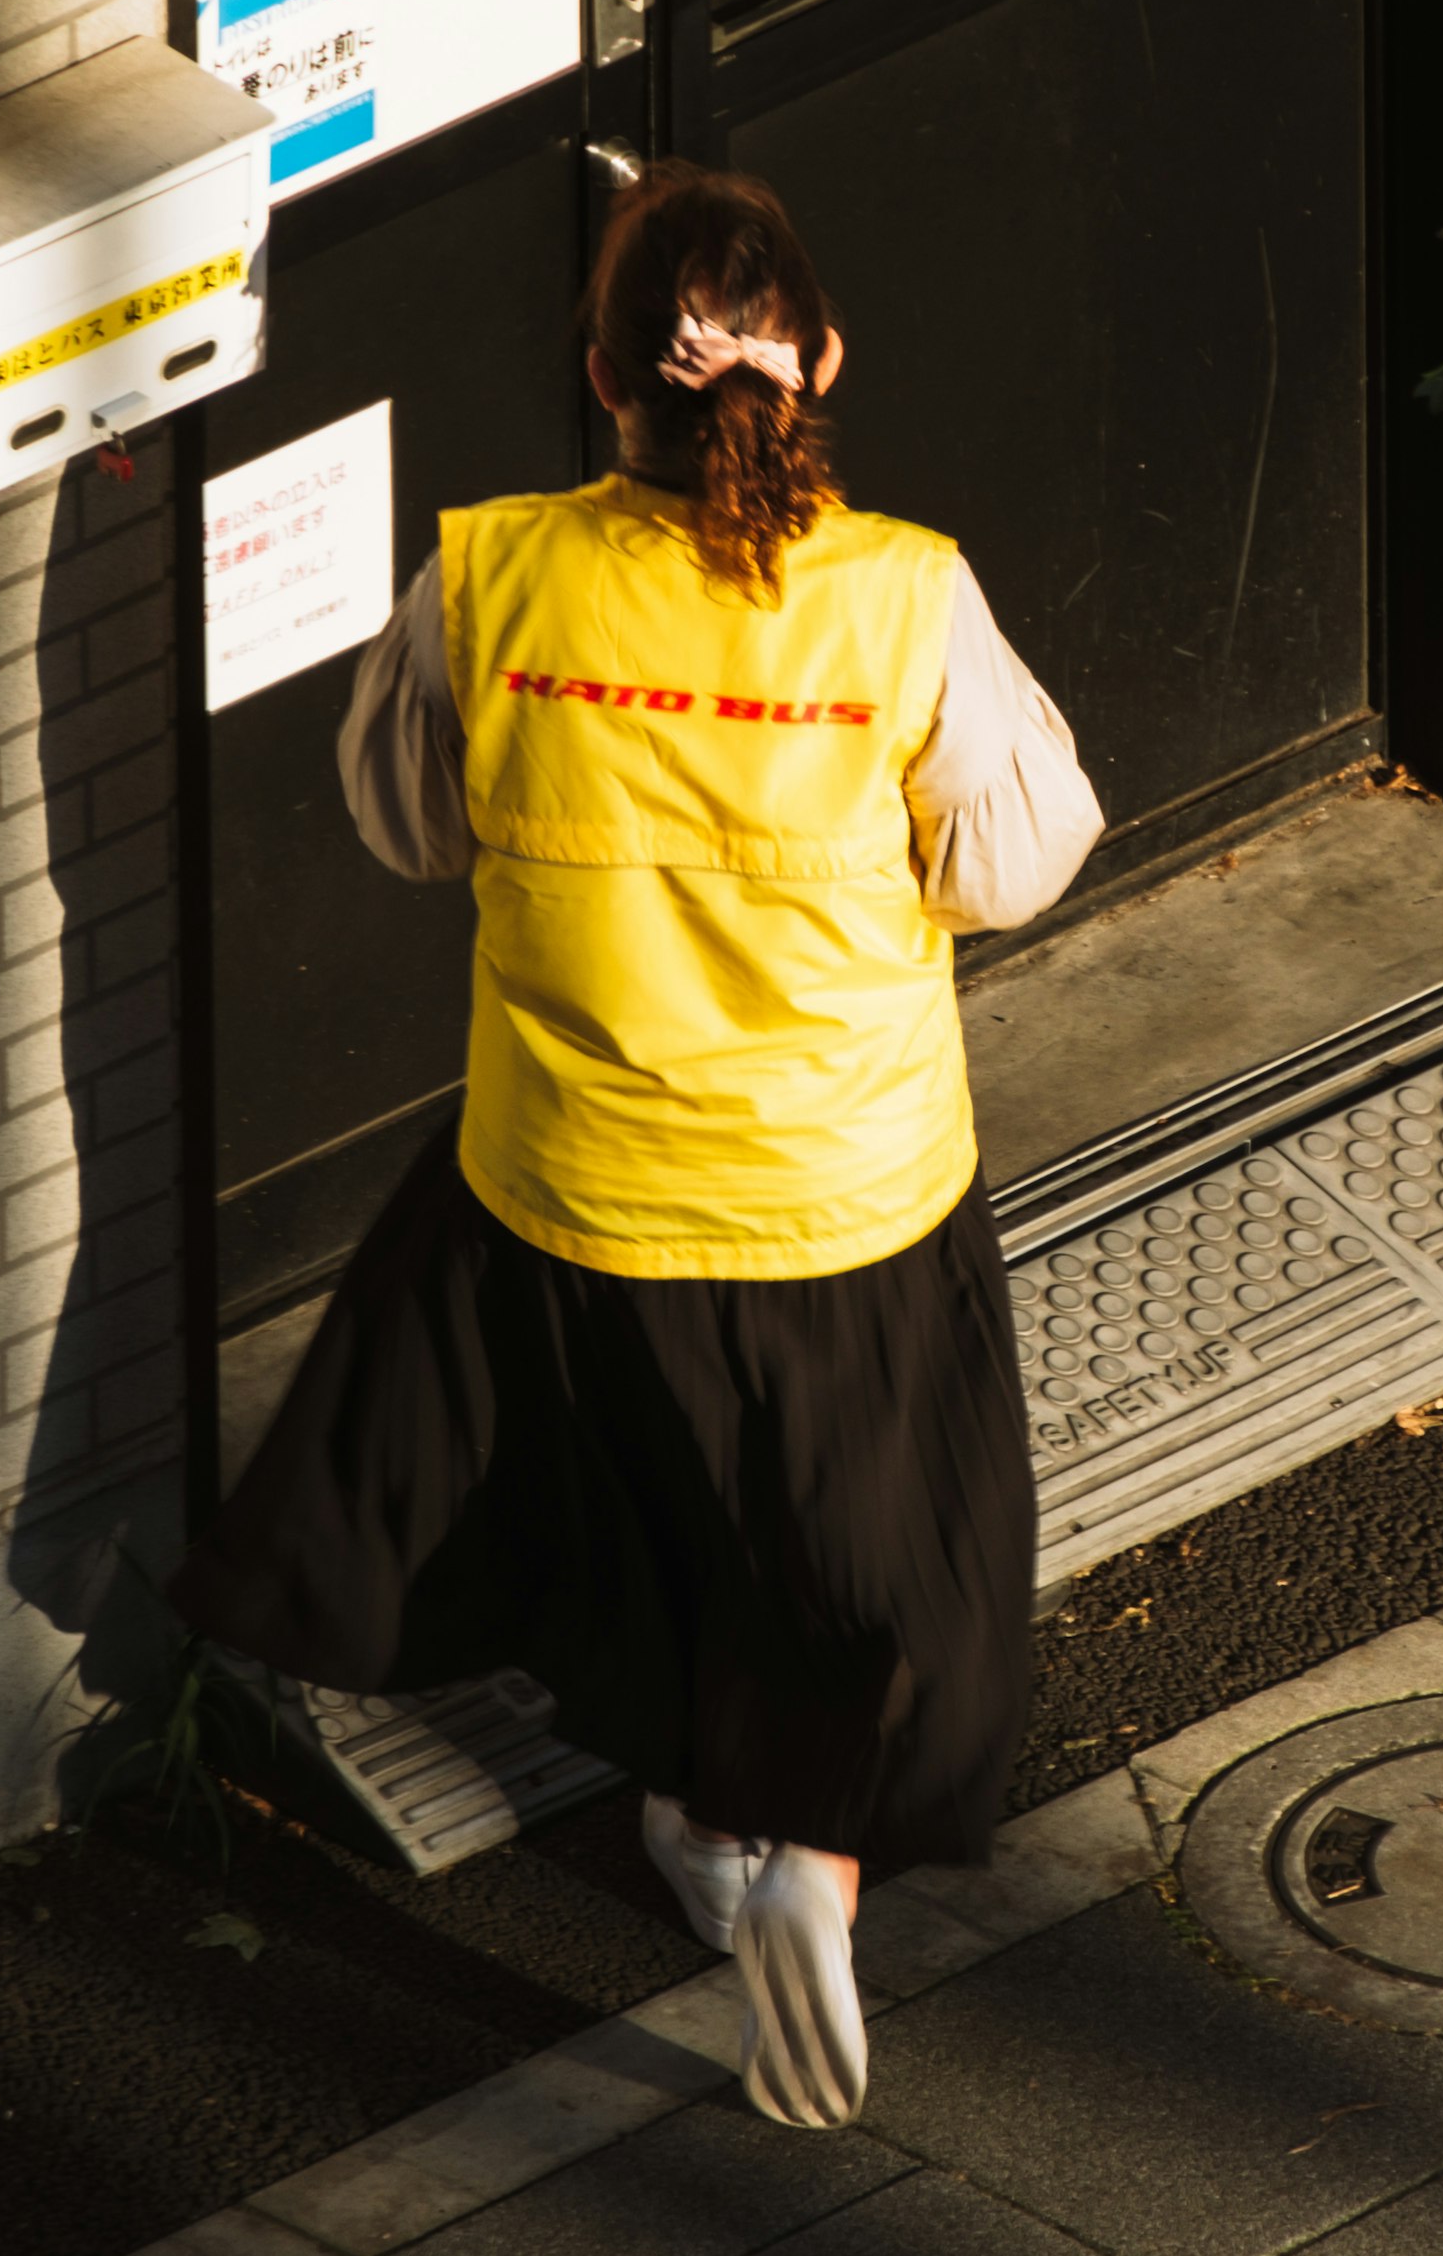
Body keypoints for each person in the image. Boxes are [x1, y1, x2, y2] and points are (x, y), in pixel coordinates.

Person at [178, 160, 1100, 2127]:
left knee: (651, 1521)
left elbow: (408, 822)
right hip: (849, 1190)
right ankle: (813, 1885)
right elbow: (1017, 860)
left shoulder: (494, 577)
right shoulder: (904, 595)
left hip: (576, 1182)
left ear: (602, 379)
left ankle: (696, 1818)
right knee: (857, 1563)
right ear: (825, 360)